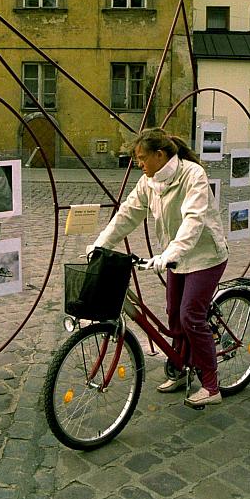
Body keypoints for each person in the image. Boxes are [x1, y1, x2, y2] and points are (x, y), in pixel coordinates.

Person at [87, 127, 228, 407]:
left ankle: (211, 385)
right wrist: (101, 244)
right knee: (173, 315)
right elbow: (127, 214)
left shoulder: (192, 175)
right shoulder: (149, 181)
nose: (139, 164)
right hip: (177, 256)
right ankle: (180, 366)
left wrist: (169, 254)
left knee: (191, 317)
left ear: (160, 155)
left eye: (142, 158)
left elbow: (194, 220)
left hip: (205, 255)